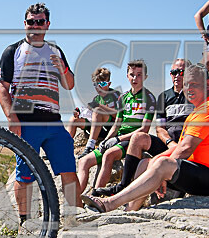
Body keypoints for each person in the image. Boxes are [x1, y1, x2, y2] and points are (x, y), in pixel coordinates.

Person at [82, 63, 209, 212]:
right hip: (198, 170)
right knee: (145, 163)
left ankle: (109, 203)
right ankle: (130, 209)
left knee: (162, 163)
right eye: (187, 84)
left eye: (195, 84)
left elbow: (186, 148)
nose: (189, 88)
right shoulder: (198, 110)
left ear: (207, 85)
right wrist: (155, 165)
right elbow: (178, 145)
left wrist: (162, 173)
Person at [0, 2, 79, 212]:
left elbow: (69, 84)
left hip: (53, 120)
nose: (35, 26)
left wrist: (64, 69)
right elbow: (1, 87)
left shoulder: (56, 51)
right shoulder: (13, 51)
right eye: (31, 22)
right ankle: (26, 222)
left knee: (68, 170)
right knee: (24, 175)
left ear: (47, 24)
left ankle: (75, 217)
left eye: (39, 22)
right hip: (26, 120)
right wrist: (11, 117)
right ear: (25, 24)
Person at [90, 59, 195, 197]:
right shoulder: (164, 96)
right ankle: (121, 186)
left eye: (182, 72)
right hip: (167, 144)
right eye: (174, 72)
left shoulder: (195, 96)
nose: (177, 75)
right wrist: (170, 143)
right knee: (138, 138)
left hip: (188, 145)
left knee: (137, 159)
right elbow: (160, 129)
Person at [76, 60, 156, 194]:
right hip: (117, 138)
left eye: (139, 75)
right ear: (127, 76)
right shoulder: (123, 98)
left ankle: (96, 195)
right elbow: (116, 124)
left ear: (145, 77)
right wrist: (107, 140)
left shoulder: (150, 98)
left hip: (132, 140)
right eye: (132, 74)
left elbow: (144, 130)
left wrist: (118, 140)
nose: (135, 78)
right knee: (84, 161)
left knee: (108, 155)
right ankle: (75, 201)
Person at [67, 67, 121, 156]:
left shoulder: (116, 95)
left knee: (98, 110)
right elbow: (91, 117)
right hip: (98, 128)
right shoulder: (97, 98)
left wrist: (100, 106)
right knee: (73, 119)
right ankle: (65, 147)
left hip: (111, 129)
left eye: (103, 84)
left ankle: (90, 146)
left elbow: (118, 115)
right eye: (96, 84)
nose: (99, 87)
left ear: (109, 84)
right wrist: (79, 112)